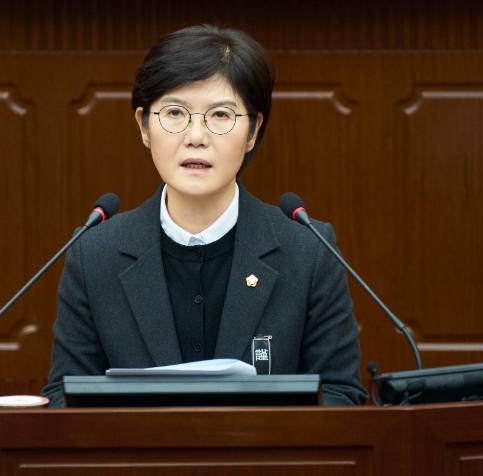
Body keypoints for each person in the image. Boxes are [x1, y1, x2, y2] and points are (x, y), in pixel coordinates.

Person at [41, 24, 367, 407]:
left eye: (220, 115)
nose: (196, 136)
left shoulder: (308, 252)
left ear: (253, 131)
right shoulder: (94, 255)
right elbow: (64, 399)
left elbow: (340, 395)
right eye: (175, 112)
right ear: (144, 126)